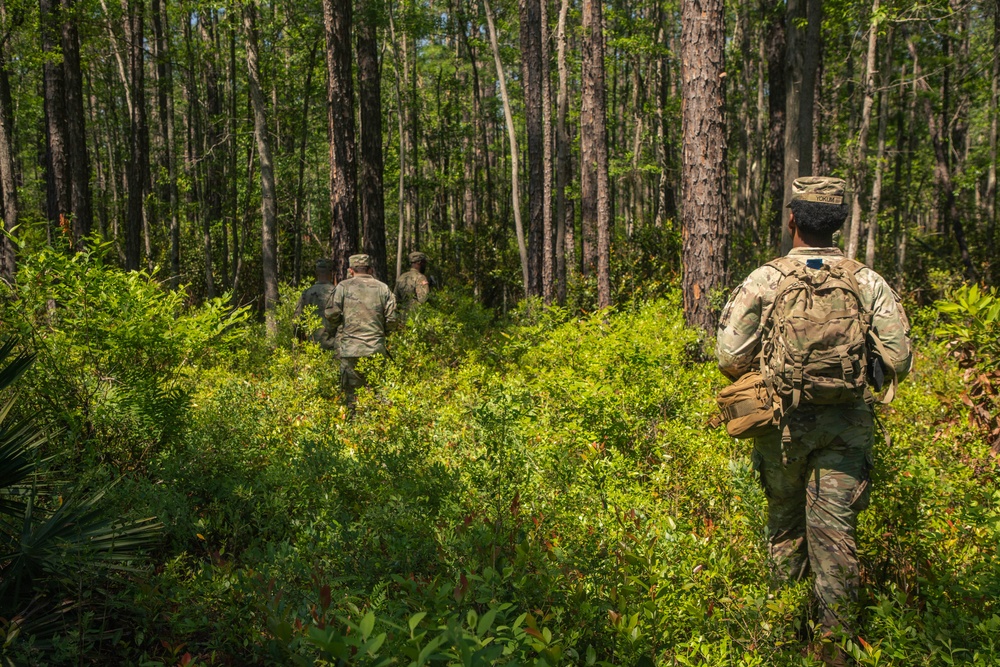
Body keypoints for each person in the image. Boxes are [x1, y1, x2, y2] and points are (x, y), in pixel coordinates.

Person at [715, 177, 913, 665]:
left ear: (792, 220)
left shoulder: (765, 279)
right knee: (835, 532)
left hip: (782, 425)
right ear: (840, 223)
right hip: (846, 427)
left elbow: (728, 356)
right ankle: (835, 649)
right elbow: (900, 358)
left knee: (785, 527)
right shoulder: (866, 280)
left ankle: (784, 635)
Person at [324, 254, 398, 412]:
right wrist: (380, 333)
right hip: (375, 350)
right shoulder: (382, 288)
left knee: (351, 397)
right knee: (377, 394)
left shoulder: (343, 287)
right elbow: (392, 320)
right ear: (370, 269)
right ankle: (377, 430)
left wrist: (339, 326)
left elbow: (331, 314)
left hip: (350, 350)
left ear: (351, 270)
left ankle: (353, 430)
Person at [294, 258, 338, 351]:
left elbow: (297, 322)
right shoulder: (338, 293)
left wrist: (300, 343)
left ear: (316, 273)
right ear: (332, 273)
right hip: (333, 346)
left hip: (311, 346)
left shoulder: (307, 294)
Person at [394, 251, 431, 316]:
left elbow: (395, 299)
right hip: (416, 317)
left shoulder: (401, 277)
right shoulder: (420, 277)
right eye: (424, 262)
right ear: (419, 262)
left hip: (402, 316)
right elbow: (423, 299)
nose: (425, 265)